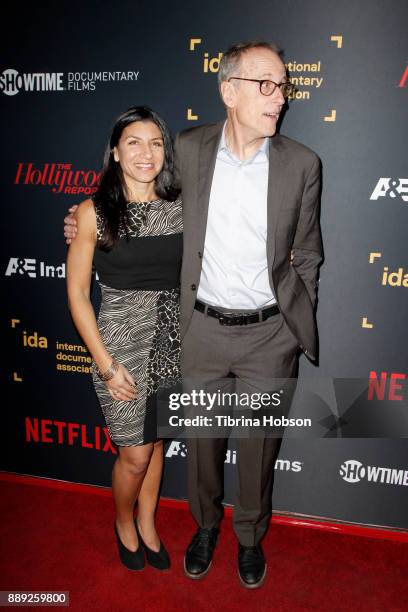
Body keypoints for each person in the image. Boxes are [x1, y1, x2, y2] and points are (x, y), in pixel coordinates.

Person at [65, 40, 323, 589]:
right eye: (266, 85)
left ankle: (250, 539)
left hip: (271, 334)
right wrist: (83, 222)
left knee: (258, 449)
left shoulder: (303, 163)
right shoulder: (189, 148)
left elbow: (309, 252)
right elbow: (137, 186)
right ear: (229, 90)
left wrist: (297, 319)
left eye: (283, 87)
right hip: (199, 331)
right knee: (203, 444)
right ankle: (205, 529)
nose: (279, 98)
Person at [66, 106, 182, 571]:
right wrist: (106, 364)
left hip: (174, 341)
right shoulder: (93, 211)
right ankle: (123, 521)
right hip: (120, 345)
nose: (145, 152)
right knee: (133, 453)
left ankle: (149, 520)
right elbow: (76, 295)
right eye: (134, 142)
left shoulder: (182, 206)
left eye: (155, 143)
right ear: (115, 151)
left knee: (157, 443)